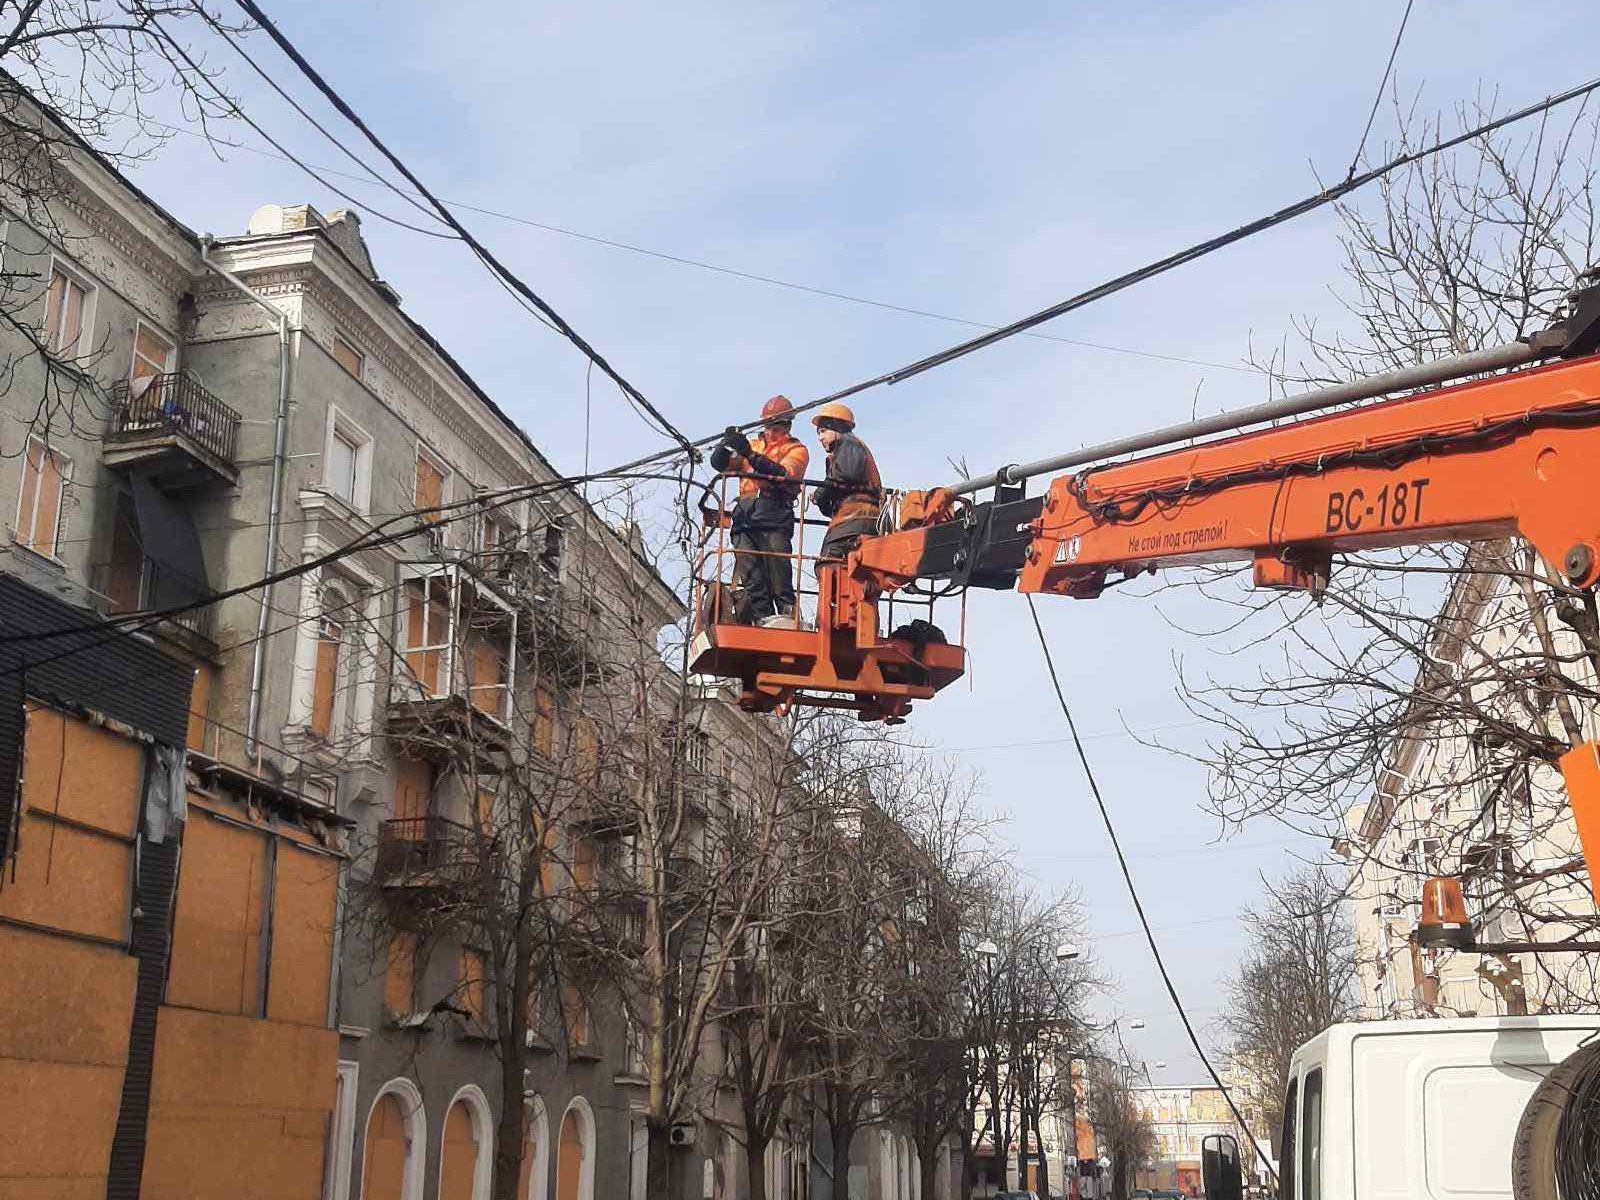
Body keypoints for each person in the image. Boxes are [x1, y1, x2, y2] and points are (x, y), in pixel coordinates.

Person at [709, 395, 809, 625]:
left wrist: (750, 455)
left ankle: (787, 613)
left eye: (775, 426)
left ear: (787, 425)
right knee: (749, 568)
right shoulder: (753, 445)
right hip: (745, 515)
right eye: (767, 425)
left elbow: (786, 475)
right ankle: (762, 616)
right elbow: (722, 464)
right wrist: (725, 444)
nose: (769, 431)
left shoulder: (796, 450)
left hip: (774, 513)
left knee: (778, 570)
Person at [809, 401, 881, 562]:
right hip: (852, 516)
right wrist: (822, 500)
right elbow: (835, 496)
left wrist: (821, 492)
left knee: (828, 561)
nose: (820, 438)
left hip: (856, 516)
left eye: (823, 431)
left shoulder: (849, 443)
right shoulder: (840, 454)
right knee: (843, 564)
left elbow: (845, 475)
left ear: (837, 428)